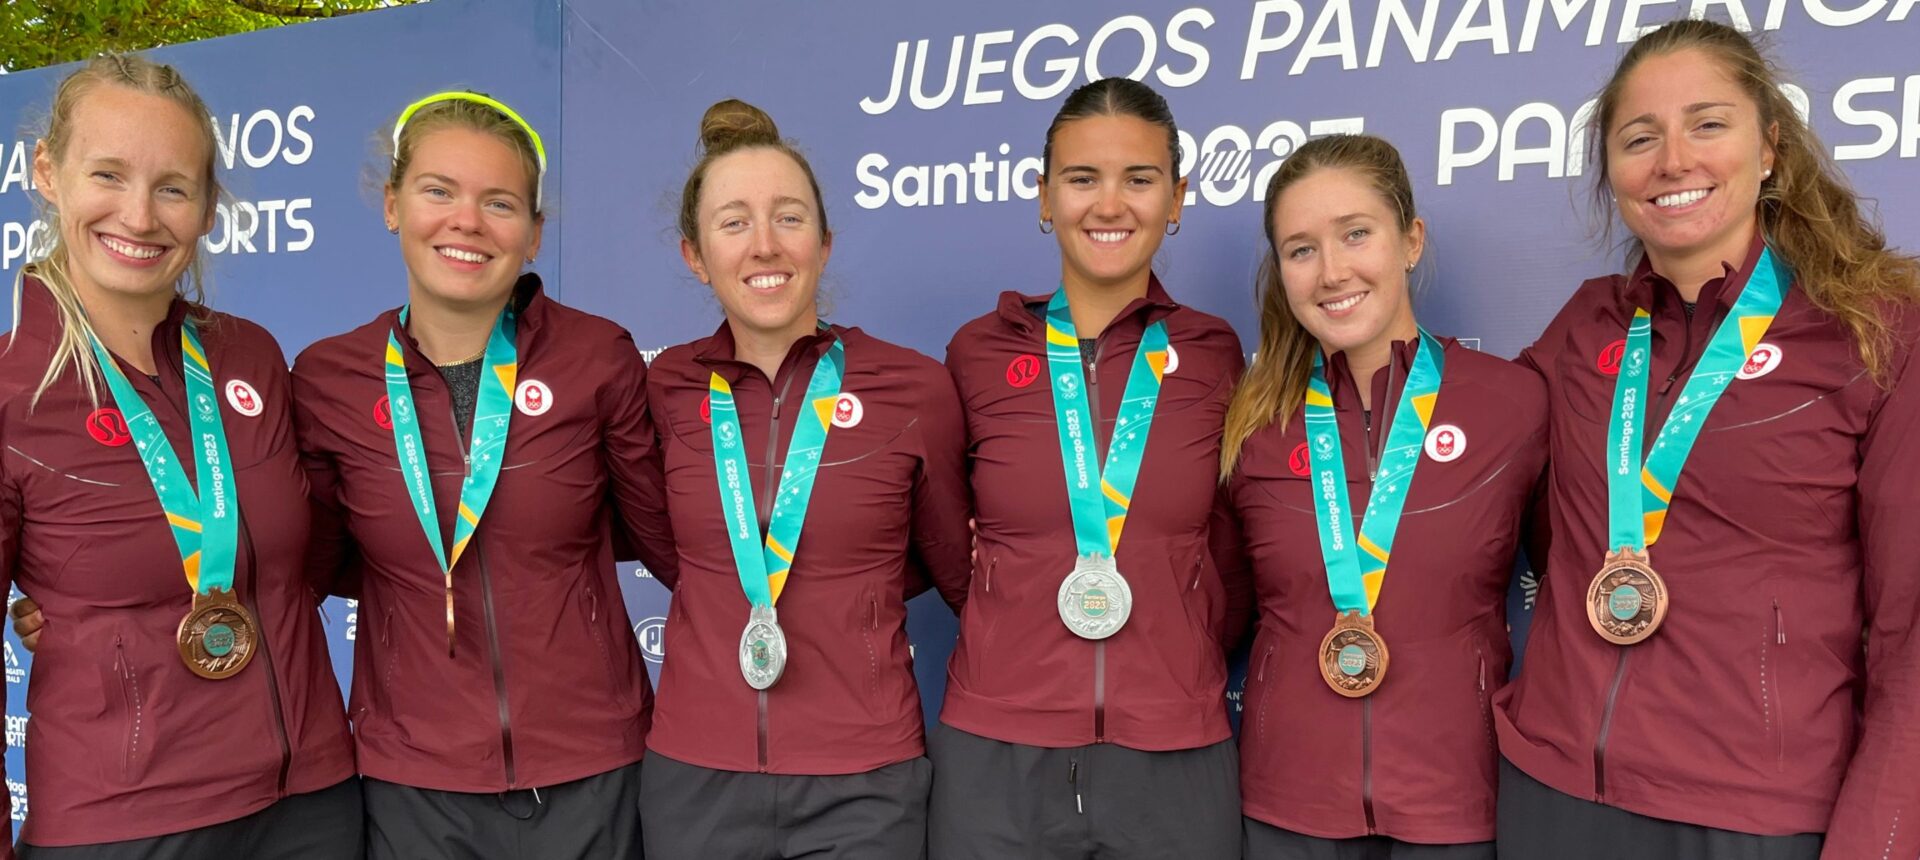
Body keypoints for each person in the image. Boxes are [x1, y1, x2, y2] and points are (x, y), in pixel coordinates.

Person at [1495, 19, 1920, 859]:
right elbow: (1482, 480)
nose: (1673, 160)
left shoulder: (1874, 333)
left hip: (1754, 814)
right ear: (1611, 171)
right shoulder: (1582, 327)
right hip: (1551, 790)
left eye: (1708, 124)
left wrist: (1880, 838)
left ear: (1769, 147)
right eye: (1640, 137)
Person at [289, 91, 674, 859]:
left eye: (498, 202)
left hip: (594, 768)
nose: (466, 221)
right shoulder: (329, 378)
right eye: (438, 191)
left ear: (532, 235)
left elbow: (672, 536)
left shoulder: (598, 357)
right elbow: (303, 560)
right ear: (394, 204)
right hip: (416, 783)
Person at [0, 55, 358, 858]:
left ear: (205, 208)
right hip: (122, 824)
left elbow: (308, 551)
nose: (139, 214)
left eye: (172, 187)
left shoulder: (251, 358)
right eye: (108, 174)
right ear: (48, 173)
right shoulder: (9, 393)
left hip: (311, 805)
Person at [633, 97, 971, 860]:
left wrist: (849, 595)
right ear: (695, 255)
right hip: (695, 774)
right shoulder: (660, 390)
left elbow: (951, 567)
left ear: (824, 242)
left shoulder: (912, 386)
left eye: (788, 218)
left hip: (865, 778)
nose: (764, 246)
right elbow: (670, 553)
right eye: (733, 223)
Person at [928, 77, 1250, 860]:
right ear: (1044, 197)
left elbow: (1237, 544)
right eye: (1082, 179)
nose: (1110, 204)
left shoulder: (1213, 354)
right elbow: (942, 541)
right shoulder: (977, 352)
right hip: (997, 753)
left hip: (1173, 750)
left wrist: (1181, 648)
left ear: (1176, 199)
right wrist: (1021, 620)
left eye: (1139, 180)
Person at [1221, 134, 1546, 860]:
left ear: (1410, 240)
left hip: (1456, 808)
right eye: (1301, 250)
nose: (1332, 272)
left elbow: (1576, 562)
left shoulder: (1513, 403)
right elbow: (1211, 601)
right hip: (1286, 811)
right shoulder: (1251, 424)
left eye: (1356, 234)